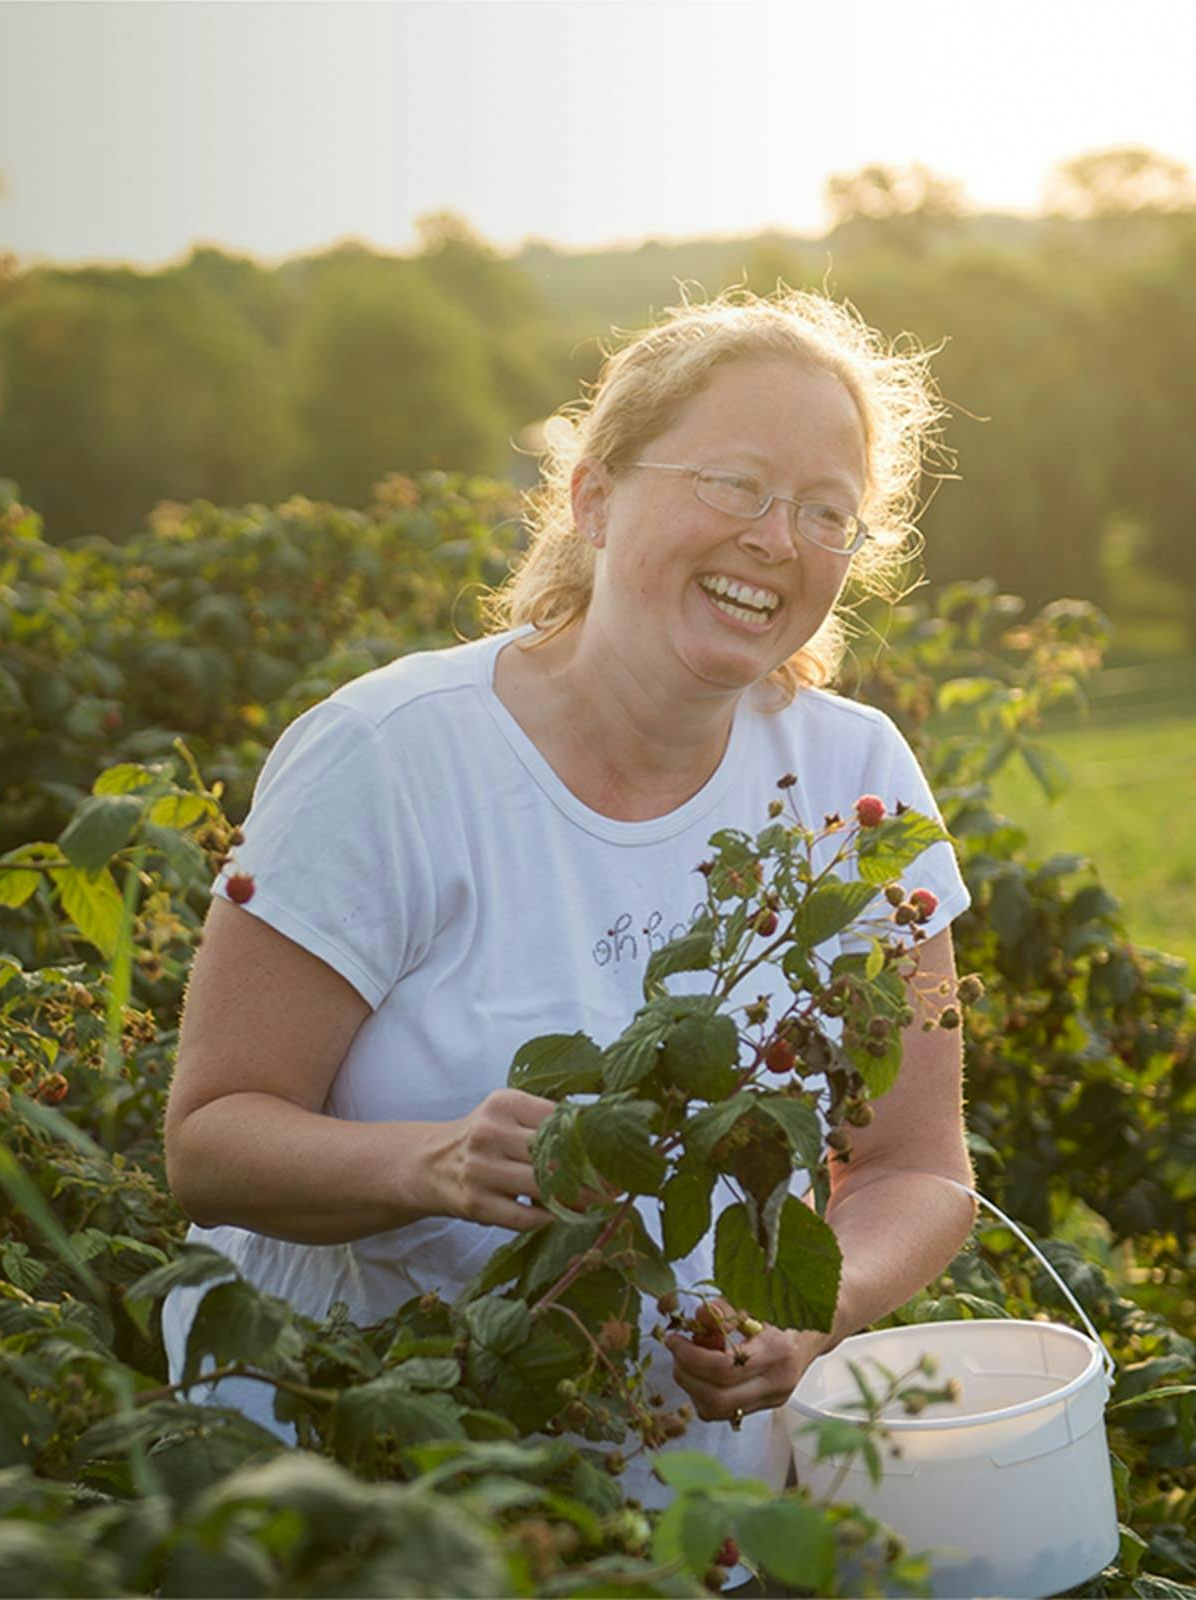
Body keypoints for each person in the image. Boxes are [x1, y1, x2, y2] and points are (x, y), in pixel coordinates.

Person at [158, 286, 982, 1512]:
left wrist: (814, 1317)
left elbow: (918, 1166)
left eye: (826, 513)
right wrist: (428, 1163)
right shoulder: (390, 756)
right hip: (361, 1478)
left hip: (688, 1512)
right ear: (594, 497)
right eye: (736, 484)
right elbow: (209, 1141)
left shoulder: (854, 783)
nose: (778, 538)